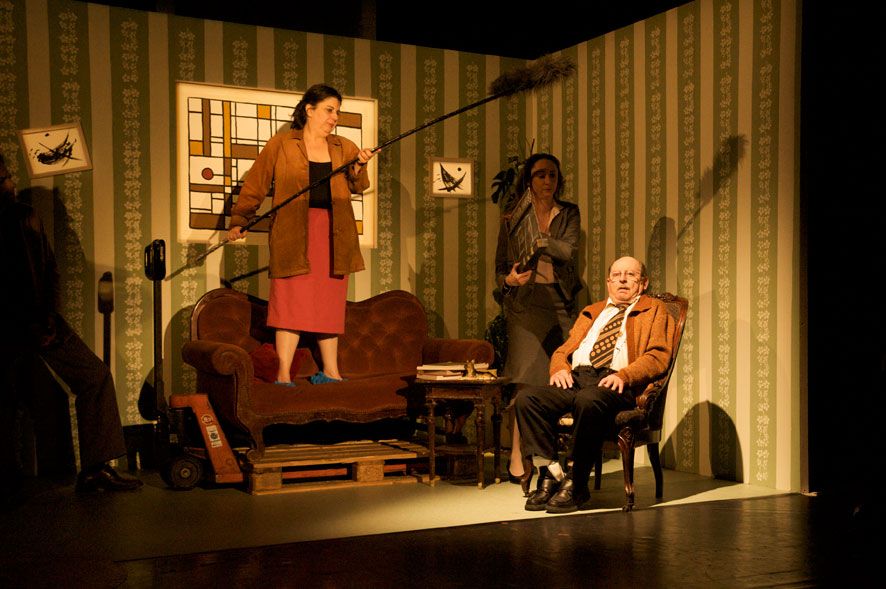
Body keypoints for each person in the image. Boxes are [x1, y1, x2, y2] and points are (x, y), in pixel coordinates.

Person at [0, 150, 142, 493]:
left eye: (9, 177)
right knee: (11, 397)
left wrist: (48, 316)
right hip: (13, 325)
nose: (11, 183)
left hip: (42, 319)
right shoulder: (12, 222)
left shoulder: (27, 216)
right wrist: (30, 322)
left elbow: (48, 269)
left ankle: (95, 469)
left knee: (95, 376)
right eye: (4, 178)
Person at [227, 84, 377, 386]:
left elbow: (359, 186)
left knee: (329, 301)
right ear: (309, 109)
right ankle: (283, 374)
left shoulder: (344, 147)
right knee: (290, 300)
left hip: (334, 234)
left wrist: (359, 165)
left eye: (337, 112)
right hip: (292, 233)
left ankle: (331, 372)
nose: (334, 117)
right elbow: (256, 184)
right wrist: (240, 219)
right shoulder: (281, 144)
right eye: (329, 110)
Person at [515, 256, 675, 513]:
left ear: (643, 283)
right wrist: (560, 368)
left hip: (617, 383)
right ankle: (550, 473)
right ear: (609, 282)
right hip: (578, 378)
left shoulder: (654, 309)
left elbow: (658, 357)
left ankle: (577, 482)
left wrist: (625, 376)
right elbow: (563, 350)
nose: (623, 280)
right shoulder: (592, 311)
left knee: (588, 400)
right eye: (617, 275)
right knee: (527, 399)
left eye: (630, 275)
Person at [494, 153, 581, 492]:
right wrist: (509, 281)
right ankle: (518, 453)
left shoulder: (568, 213)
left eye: (553, 175)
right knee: (524, 380)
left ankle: (552, 457)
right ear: (528, 180)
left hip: (560, 302)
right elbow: (500, 268)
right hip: (525, 305)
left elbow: (567, 252)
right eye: (541, 175)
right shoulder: (512, 219)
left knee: (560, 378)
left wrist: (541, 241)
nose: (548, 181)